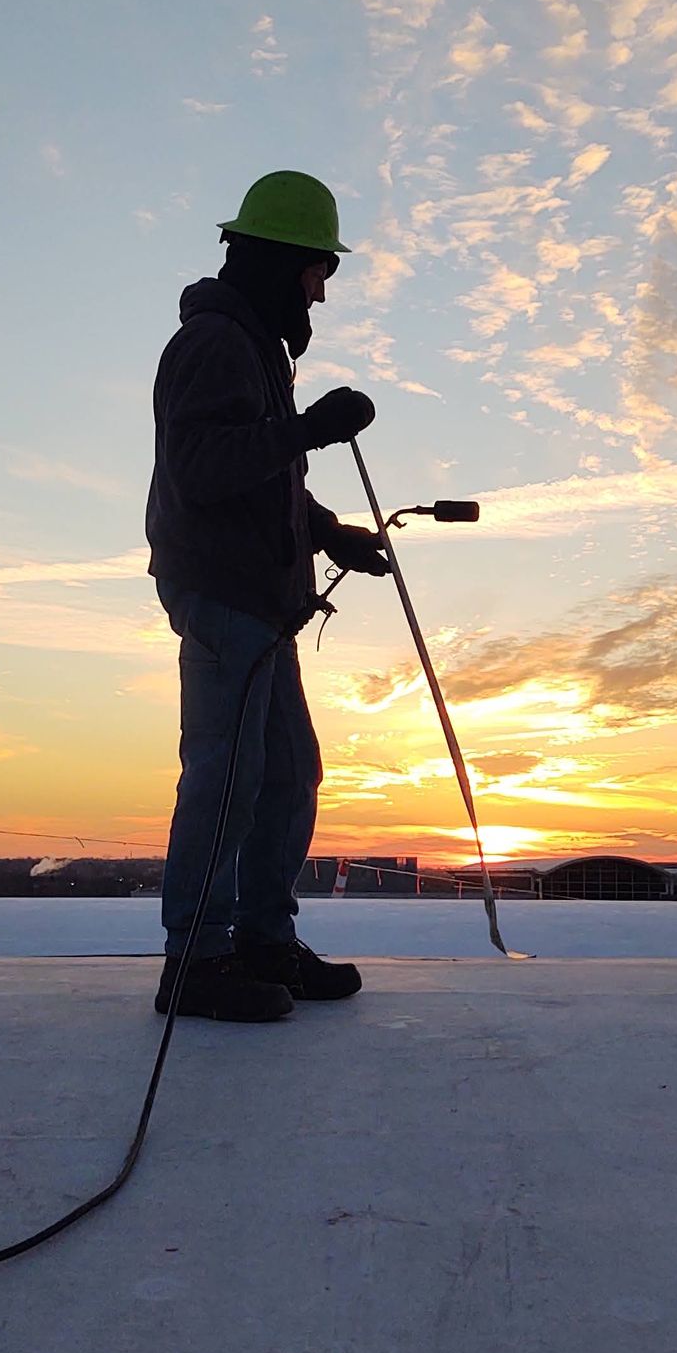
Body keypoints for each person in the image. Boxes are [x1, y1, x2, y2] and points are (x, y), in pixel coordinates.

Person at [146, 170, 391, 1020]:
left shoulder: (251, 350)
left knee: (286, 772)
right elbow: (203, 469)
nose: (320, 293)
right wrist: (313, 427)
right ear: (282, 263)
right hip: (223, 596)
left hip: (264, 603)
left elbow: (266, 471)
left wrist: (331, 536)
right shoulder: (214, 345)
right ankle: (197, 959)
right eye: (318, 271)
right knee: (226, 776)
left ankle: (261, 938)